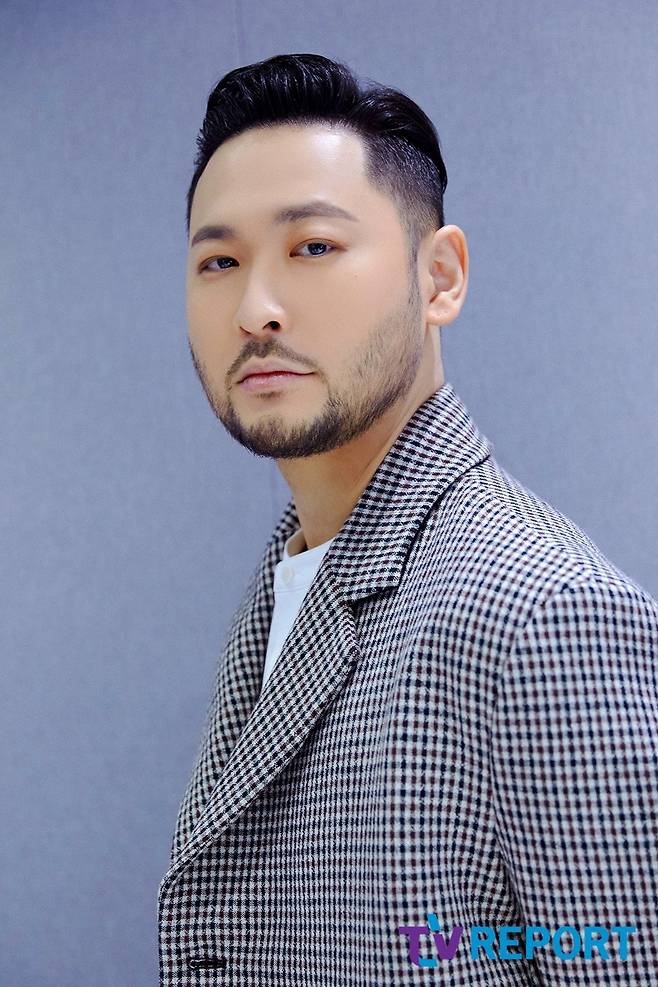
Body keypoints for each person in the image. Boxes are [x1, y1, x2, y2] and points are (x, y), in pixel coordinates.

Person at [157, 53, 658, 986]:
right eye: (219, 261)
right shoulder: (295, 576)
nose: (256, 309)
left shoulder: (545, 613)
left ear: (440, 277)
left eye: (313, 246)